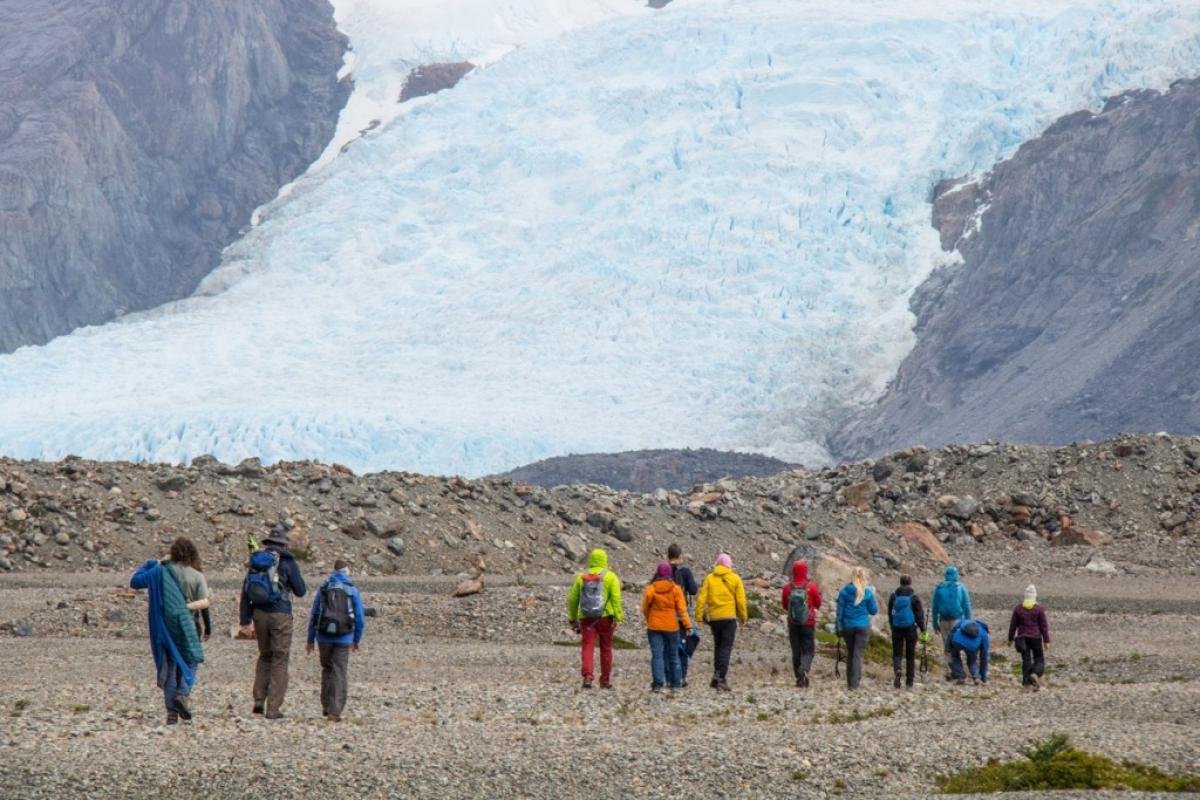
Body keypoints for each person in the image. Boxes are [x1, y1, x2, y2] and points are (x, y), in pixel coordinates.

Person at [130, 546, 206, 725]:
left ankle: (171, 712)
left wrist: (148, 564)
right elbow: (205, 602)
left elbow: (135, 581)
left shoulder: (157, 571)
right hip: (185, 624)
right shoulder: (193, 574)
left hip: (162, 627)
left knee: (170, 667)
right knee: (192, 660)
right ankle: (183, 693)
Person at [238, 524, 306, 718]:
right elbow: (301, 591)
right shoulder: (288, 561)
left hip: (259, 614)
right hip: (281, 615)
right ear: (283, 543)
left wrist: (245, 620)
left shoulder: (257, 561)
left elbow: (246, 591)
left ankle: (258, 700)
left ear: (268, 542)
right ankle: (273, 708)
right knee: (280, 659)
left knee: (265, 655)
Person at [306, 560, 366, 721]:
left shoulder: (324, 588)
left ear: (334, 571)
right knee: (339, 671)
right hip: (344, 637)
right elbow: (360, 618)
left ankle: (326, 706)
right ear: (346, 571)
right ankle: (335, 710)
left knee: (327, 669)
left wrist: (310, 639)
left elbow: (314, 614)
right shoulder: (352, 589)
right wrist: (356, 640)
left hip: (323, 637)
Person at [566, 548, 624, 689]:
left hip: (586, 618)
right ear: (605, 560)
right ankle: (605, 680)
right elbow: (616, 599)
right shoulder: (611, 577)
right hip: (606, 618)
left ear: (591, 560)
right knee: (606, 648)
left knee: (588, 646)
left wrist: (572, 617)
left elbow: (572, 598)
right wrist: (618, 617)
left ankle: (587, 676)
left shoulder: (581, 577)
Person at [694, 553, 748, 691]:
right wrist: (743, 617)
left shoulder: (709, 578)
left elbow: (701, 598)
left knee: (718, 647)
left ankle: (716, 676)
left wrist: (699, 617)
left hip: (714, 619)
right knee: (725, 648)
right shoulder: (735, 578)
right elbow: (741, 601)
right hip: (729, 618)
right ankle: (720, 678)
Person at [641, 562, 693, 692]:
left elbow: (644, 608)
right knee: (674, 654)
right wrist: (688, 626)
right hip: (672, 626)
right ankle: (675, 683)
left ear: (658, 573)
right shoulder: (676, 589)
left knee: (657, 654)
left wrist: (649, 618)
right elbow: (682, 610)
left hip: (654, 626)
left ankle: (658, 683)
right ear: (670, 574)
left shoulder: (651, 589)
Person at [835, 566, 879, 690]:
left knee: (851, 652)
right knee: (857, 654)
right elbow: (874, 610)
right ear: (863, 577)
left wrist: (838, 627)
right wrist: (872, 596)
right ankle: (854, 682)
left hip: (848, 626)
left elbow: (839, 611)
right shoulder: (867, 592)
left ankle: (851, 682)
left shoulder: (844, 591)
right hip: (863, 626)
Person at [781, 559, 822, 688]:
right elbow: (818, 604)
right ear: (805, 571)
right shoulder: (812, 586)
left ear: (793, 571)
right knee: (808, 650)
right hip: (808, 623)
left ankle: (799, 679)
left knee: (796, 651)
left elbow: (784, 605)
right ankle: (804, 669)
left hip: (793, 623)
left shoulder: (787, 588)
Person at [166, 537, 212, 645]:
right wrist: (208, 628)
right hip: (190, 622)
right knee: (191, 652)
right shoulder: (197, 575)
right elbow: (203, 604)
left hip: (169, 621)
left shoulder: (166, 572)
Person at [930, 565, 973, 676]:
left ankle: (950, 670)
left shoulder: (939, 587)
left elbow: (934, 607)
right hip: (957, 621)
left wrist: (934, 623)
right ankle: (959, 669)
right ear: (956, 575)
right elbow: (966, 605)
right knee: (958, 643)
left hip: (943, 621)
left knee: (947, 645)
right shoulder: (961, 587)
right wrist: (969, 622)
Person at [667, 543, 700, 686]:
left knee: (668, 646)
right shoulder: (685, 571)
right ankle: (681, 677)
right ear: (680, 556)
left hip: (665, 615)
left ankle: (669, 677)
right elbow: (693, 590)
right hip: (680, 615)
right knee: (682, 645)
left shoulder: (663, 570)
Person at [887, 574, 927, 689]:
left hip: (896, 628)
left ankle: (898, 669)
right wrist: (923, 629)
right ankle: (909, 682)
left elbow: (890, 613)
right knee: (910, 655)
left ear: (900, 582)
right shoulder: (914, 597)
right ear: (910, 583)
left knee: (897, 653)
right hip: (911, 629)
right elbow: (919, 615)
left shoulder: (893, 596)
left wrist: (892, 626)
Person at [1007, 584, 1050, 690]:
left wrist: (1010, 639)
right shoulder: (1039, 609)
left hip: (1022, 637)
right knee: (1039, 659)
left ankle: (1026, 682)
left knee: (1026, 659)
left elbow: (1013, 625)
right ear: (1034, 596)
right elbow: (1044, 626)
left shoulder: (1018, 608)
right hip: (1036, 637)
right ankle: (1035, 674)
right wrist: (1046, 641)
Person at [947, 618, 990, 685]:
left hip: (956, 641)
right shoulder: (984, 634)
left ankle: (960, 676)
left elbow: (952, 631)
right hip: (972, 647)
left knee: (955, 656)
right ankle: (976, 677)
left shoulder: (966, 621)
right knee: (972, 661)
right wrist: (983, 678)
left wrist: (947, 646)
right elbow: (984, 656)